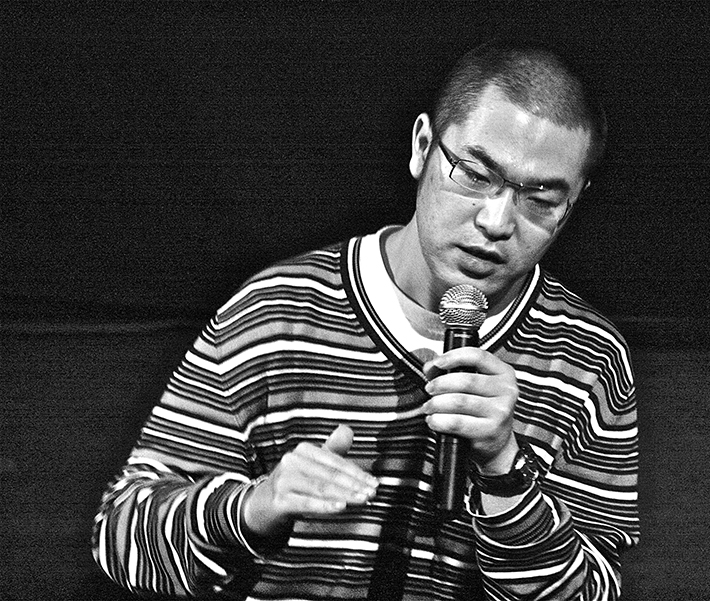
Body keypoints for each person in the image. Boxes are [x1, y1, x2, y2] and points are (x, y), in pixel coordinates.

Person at [92, 40, 639, 600]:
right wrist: (255, 507)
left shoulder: (588, 358)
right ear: (422, 147)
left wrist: (504, 468)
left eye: (540, 200)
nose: (497, 221)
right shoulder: (280, 310)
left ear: (574, 201)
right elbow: (121, 534)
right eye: (475, 175)